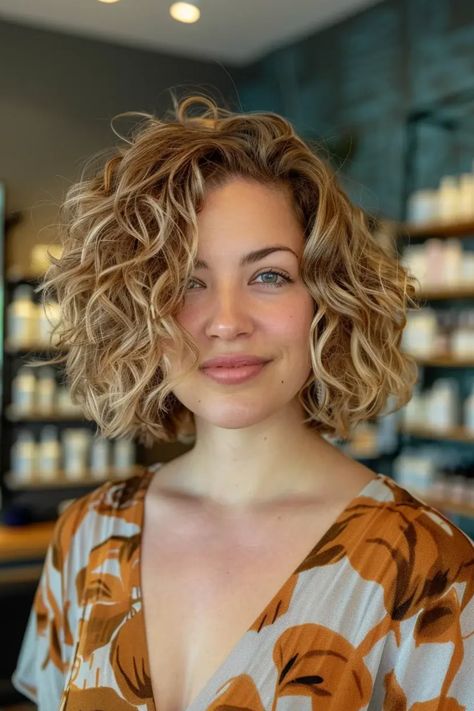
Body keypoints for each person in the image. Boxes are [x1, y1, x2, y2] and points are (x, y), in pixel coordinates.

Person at [12, 93, 474, 711]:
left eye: (268, 275)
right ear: (136, 312)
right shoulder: (87, 534)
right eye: (184, 281)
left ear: (327, 300)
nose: (226, 322)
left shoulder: (429, 571)